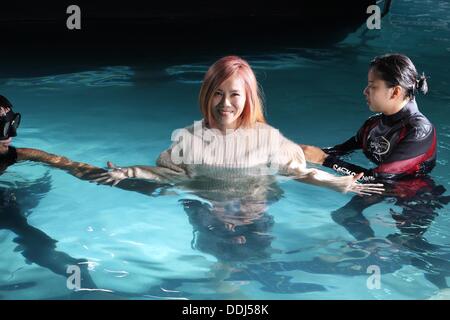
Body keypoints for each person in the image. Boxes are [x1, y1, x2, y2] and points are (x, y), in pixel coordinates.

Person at [90, 55, 384, 197]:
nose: (225, 103)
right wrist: (127, 172)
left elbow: (300, 173)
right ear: (207, 95)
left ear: (247, 100)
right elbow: (169, 175)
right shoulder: (189, 140)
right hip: (205, 206)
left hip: (253, 209)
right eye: (217, 93)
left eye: (234, 95)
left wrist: (340, 183)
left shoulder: (267, 140)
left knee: (250, 261)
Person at [301, 53, 436, 181]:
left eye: (372, 86)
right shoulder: (372, 124)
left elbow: (378, 179)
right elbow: (338, 151)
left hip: (416, 199)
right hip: (376, 190)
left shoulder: (419, 131)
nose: (365, 91)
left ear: (395, 92)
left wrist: (323, 160)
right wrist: (300, 152)